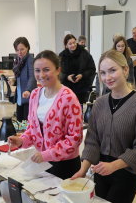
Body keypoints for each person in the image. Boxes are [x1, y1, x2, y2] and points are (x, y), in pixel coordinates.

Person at [72, 50, 136, 203]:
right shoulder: (99, 104)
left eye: (112, 70)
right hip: (101, 172)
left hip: (126, 174)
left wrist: (114, 165)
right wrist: (82, 170)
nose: (107, 77)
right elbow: (92, 141)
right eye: (103, 73)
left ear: (125, 70)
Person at [8, 50, 83, 179]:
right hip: (43, 162)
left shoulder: (68, 98)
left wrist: (47, 154)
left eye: (46, 70)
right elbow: (32, 129)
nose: (41, 75)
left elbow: (74, 139)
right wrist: (21, 140)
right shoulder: (35, 95)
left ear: (58, 70)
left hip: (65, 165)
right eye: (37, 70)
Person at [59, 34, 96, 104]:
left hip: (82, 87)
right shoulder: (62, 56)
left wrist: (82, 75)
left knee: (79, 107)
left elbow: (92, 69)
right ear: (66, 45)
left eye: (74, 42)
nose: (73, 45)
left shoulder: (85, 53)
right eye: (70, 44)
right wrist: (67, 77)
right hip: (67, 87)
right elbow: (58, 72)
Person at [11, 37, 36, 121]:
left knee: (26, 122)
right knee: (19, 121)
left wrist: (28, 90)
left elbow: (33, 77)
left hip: (27, 95)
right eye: (17, 50)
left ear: (27, 48)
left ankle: (25, 134)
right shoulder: (18, 61)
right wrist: (14, 81)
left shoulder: (30, 60)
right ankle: (21, 134)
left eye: (22, 49)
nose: (19, 52)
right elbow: (18, 77)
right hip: (20, 95)